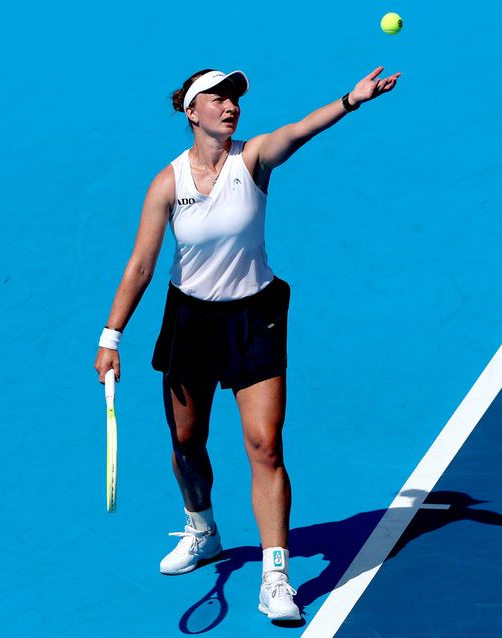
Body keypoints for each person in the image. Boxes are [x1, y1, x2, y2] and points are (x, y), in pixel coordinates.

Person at [94, 65, 401, 621]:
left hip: (254, 317)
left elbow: (300, 130)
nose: (230, 105)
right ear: (192, 112)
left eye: (233, 97)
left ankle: (275, 576)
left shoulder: (253, 158)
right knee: (187, 444)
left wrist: (350, 100)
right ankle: (203, 529)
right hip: (190, 322)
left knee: (265, 445)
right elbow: (141, 265)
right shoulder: (168, 184)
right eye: (217, 98)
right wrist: (110, 337)